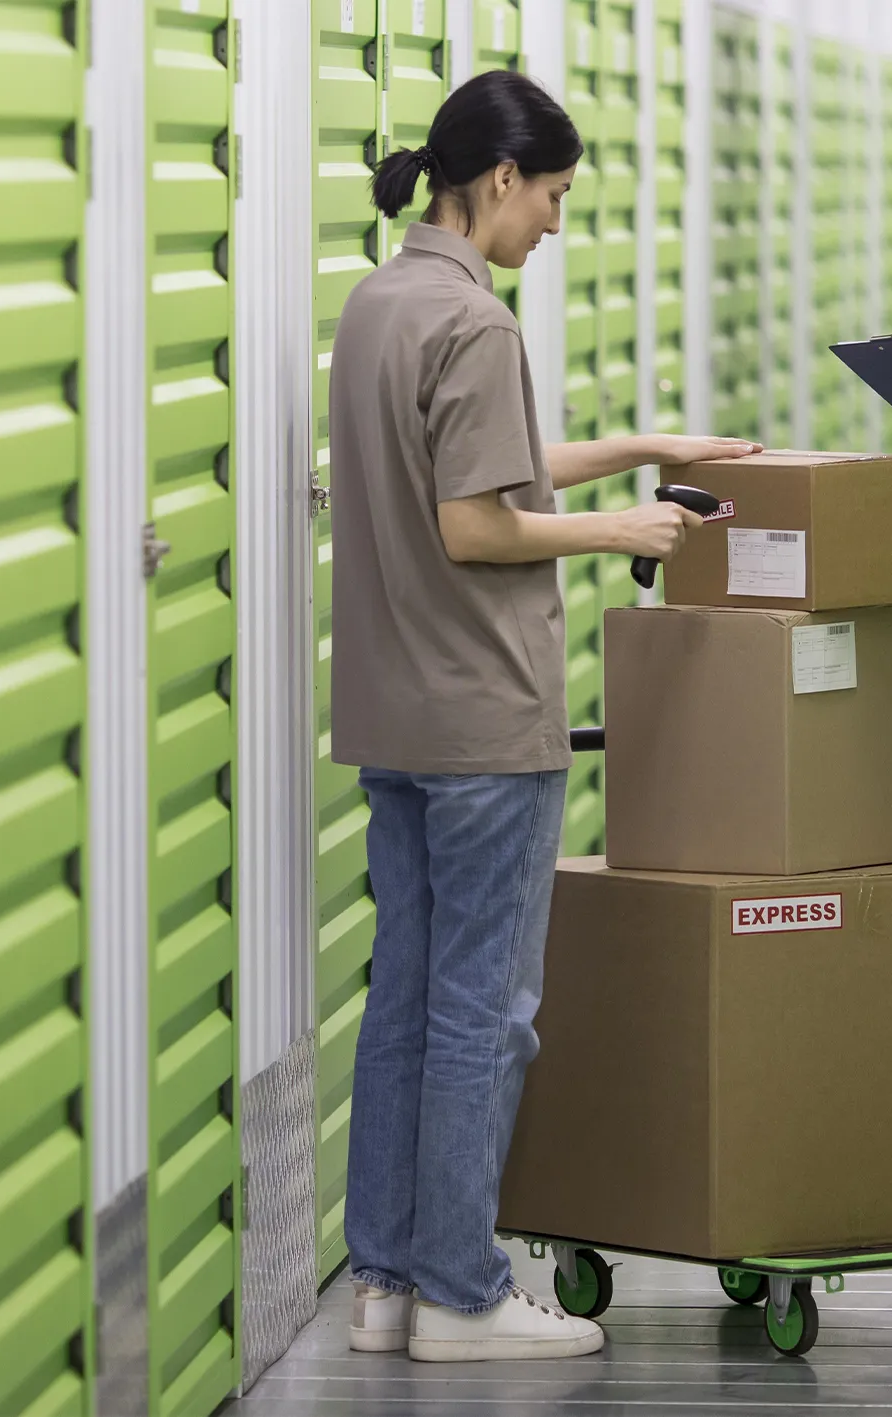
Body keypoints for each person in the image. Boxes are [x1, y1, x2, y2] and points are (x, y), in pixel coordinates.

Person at [326, 68, 761, 1363]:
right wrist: (624, 530)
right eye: (554, 196)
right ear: (501, 180)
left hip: (395, 719)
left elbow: (466, 471)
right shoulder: (478, 326)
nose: (557, 225)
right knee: (482, 1014)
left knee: (404, 1004)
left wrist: (627, 448)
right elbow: (476, 523)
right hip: (480, 723)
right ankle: (462, 1295)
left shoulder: (380, 305)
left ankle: (387, 1286)